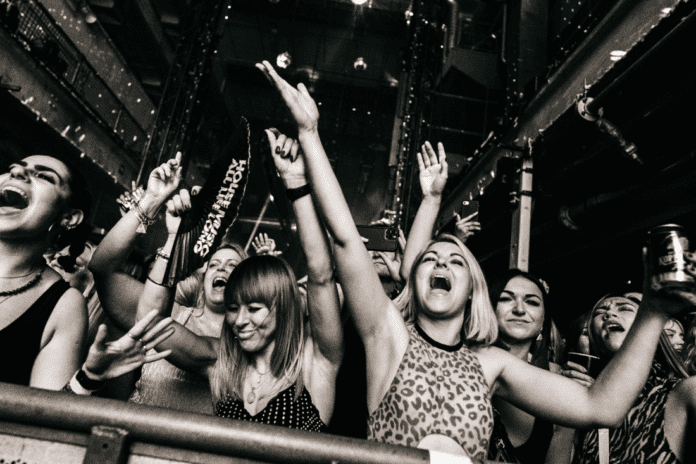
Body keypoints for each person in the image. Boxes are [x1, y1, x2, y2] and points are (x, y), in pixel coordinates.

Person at [256, 59, 695, 460]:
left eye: (456, 261)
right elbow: (347, 241)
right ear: (416, 277)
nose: (442, 264)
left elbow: (599, 406)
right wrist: (311, 135)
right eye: (430, 259)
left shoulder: (492, 364)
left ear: (473, 292)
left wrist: (653, 311)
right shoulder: (386, 334)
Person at [141, 130, 343, 430]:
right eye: (233, 307)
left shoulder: (314, 363)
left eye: (254, 307)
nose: (239, 320)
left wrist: (296, 184)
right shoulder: (222, 363)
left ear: (282, 306)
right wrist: (174, 239)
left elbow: (322, 277)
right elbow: (150, 322)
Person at [89, 154, 247, 414]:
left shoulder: (248, 338)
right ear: (203, 276)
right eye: (215, 265)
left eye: (233, 267)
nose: (222, 270)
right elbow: (102, 268)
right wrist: (153, 205)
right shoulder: (170, 312)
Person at [563, 291, 696, 464]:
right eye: (599, 312)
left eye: (625, 308)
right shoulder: (584, 401)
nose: (609, 314)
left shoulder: (685, 392)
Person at [0, 155, 91, 389]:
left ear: (68, 217)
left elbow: (43, 416)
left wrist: (88, 379)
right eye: (13, 168)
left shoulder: (64, 306)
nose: (17, 173)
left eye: (43, 176)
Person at [487, 269, 573, 463]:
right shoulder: (464, 368)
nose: (519, 309)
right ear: (487, 308)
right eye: (506, 299)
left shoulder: (559, 393)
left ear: (543, 322)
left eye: (532, 302)